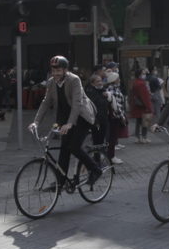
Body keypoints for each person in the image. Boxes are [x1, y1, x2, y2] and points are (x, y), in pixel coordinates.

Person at [29, 56, 102, 188]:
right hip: (64, 118)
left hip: (81, 117)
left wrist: (70, 123)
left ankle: (96, 169)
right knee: (64, 150)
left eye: (59, 70)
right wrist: (36, 122)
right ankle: (60, 181)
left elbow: (77, 103)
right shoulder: (51, 82)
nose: (56, 73)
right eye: (53, 70)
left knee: (74, 147)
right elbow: (46, 102)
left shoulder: (74, 80)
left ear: (65, 70)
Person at [104, 71, 127, 164]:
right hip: (115, 117)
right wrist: (122, 117)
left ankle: (109, 155)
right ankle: (111, 156)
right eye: (118, 78)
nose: (119, 80)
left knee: (111, 137)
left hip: (111, 117)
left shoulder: (110, 89)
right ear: (114, 80)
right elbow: (117, 106)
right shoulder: (114, 91)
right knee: (113, 138)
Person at [128, 68, 153, 143]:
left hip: (137, 105)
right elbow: (145, 97)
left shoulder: (135, 82)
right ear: (139, 74)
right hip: (143, 107)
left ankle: (137, 137)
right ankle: (144, 137)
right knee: (144, 122)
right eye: (143, 73)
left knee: (138, 122)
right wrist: (149, 107)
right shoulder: (141, 84)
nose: (144, 75)